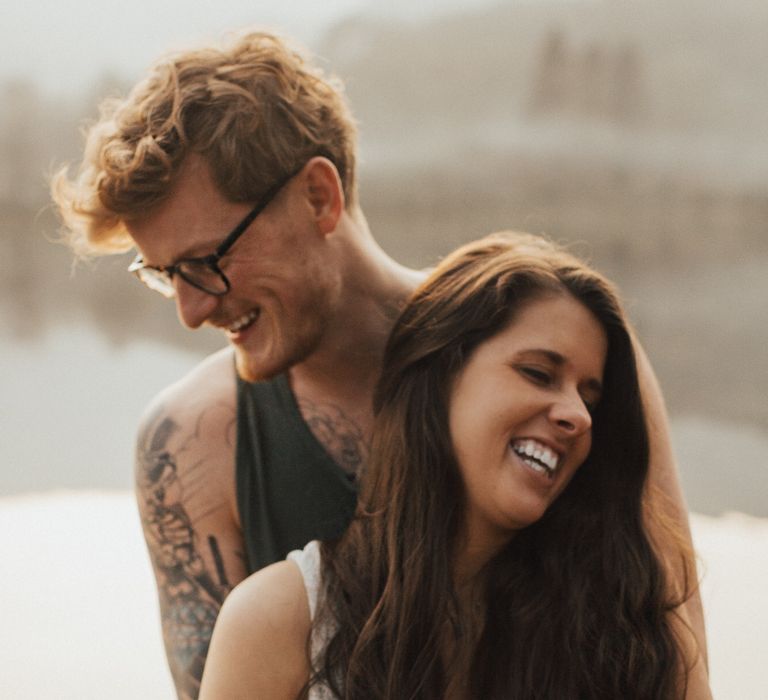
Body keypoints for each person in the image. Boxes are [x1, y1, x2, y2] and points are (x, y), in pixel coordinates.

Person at [51, 30, 706, 699]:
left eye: (207, 263)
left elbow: (681, 674)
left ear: (318, 196)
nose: (191, 312)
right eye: (166, 277)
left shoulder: (559, 369)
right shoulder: (189, 444)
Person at [199, 232, 711, 699]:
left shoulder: (633, 639)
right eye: (538, 373)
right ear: (439, 377)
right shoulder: (279, 623)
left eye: (590, 399)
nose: (576, 415)